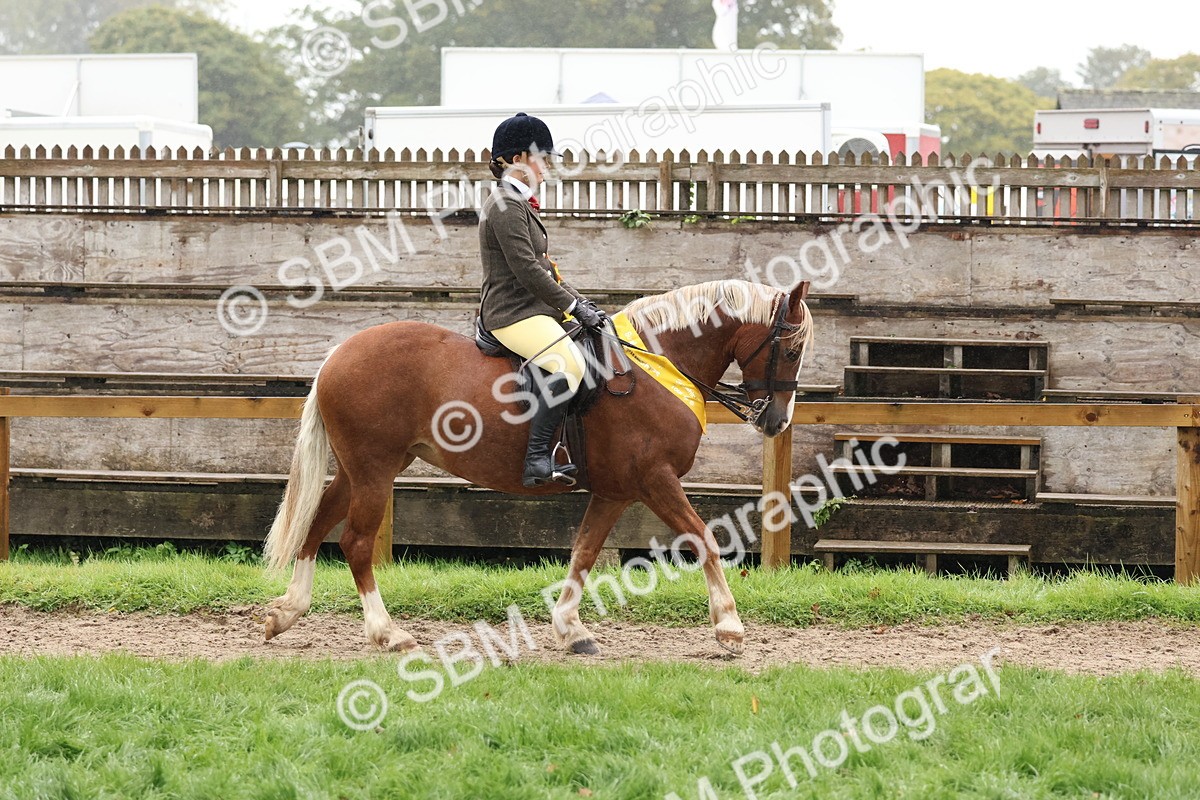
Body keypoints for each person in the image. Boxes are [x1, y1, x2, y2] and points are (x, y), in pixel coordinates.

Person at [478, 112, 607, 487]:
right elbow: (527, 272)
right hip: (511, 313)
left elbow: (547, 268)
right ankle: (536, 459)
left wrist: (584, 303)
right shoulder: (504, 204)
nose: (547, 165)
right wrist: (572, 307)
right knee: (569, 366)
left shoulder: (519, 203)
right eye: (542, 157)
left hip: (533, 308)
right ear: (518, 159)